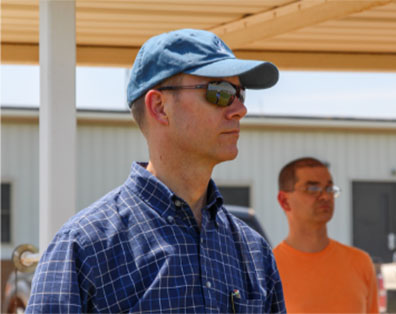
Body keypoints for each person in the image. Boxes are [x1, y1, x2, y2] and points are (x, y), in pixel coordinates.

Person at [26, 29, 285, 313]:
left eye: (240, 93)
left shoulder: (254, 252)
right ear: (159, 107)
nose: (239, 109)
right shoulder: (84, 247)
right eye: (221, 92)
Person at [273, 157, 378, 313]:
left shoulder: (361, 263)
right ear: (284, 201)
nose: (325, 196)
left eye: (329, 189)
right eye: (312, 189)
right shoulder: (267, 269)